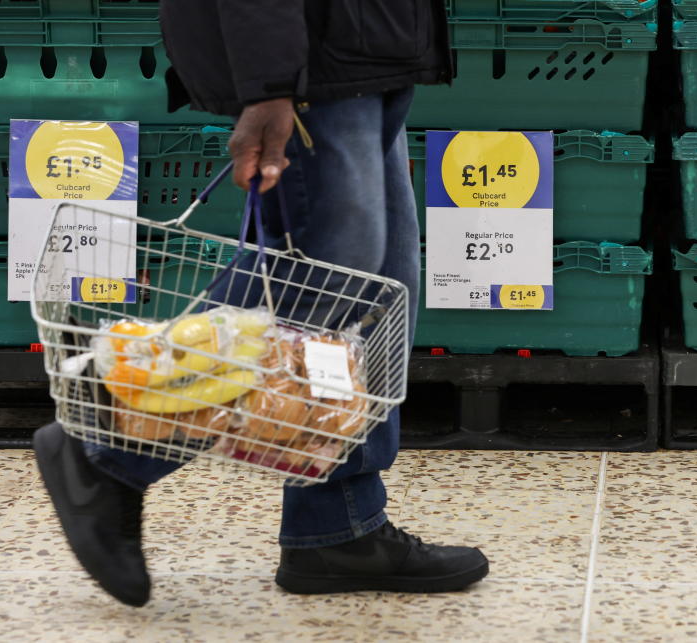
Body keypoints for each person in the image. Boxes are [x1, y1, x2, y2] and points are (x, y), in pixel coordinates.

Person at [33, 0, 489, 607]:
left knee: (382, 291)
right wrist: (270, 83)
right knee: (329, 274)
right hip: (310, 56)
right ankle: (108, 443)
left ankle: (336, 525)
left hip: (368, 45)